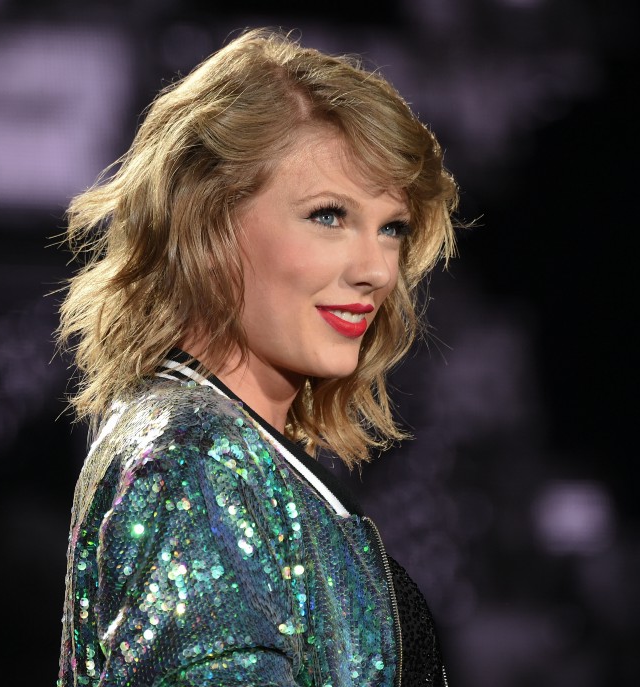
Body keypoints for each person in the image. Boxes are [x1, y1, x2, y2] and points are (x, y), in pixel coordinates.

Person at [54, 27, 460, 687]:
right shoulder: (196, 460)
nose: (377, 270)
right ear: (207, 225)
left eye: (392, 227)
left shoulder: (212, 444)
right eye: (328, 215)